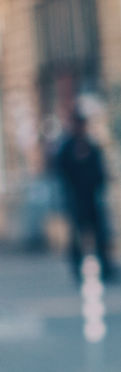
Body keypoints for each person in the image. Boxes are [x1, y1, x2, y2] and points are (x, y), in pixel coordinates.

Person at [55, 112, 115, 282]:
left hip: (92, 198)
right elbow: (62, 173)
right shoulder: (67, 148)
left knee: (100, 234)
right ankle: (77, 269)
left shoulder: (92, 146)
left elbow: (100, 172)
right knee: (76, 237)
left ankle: (106, 269)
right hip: (75, 198)